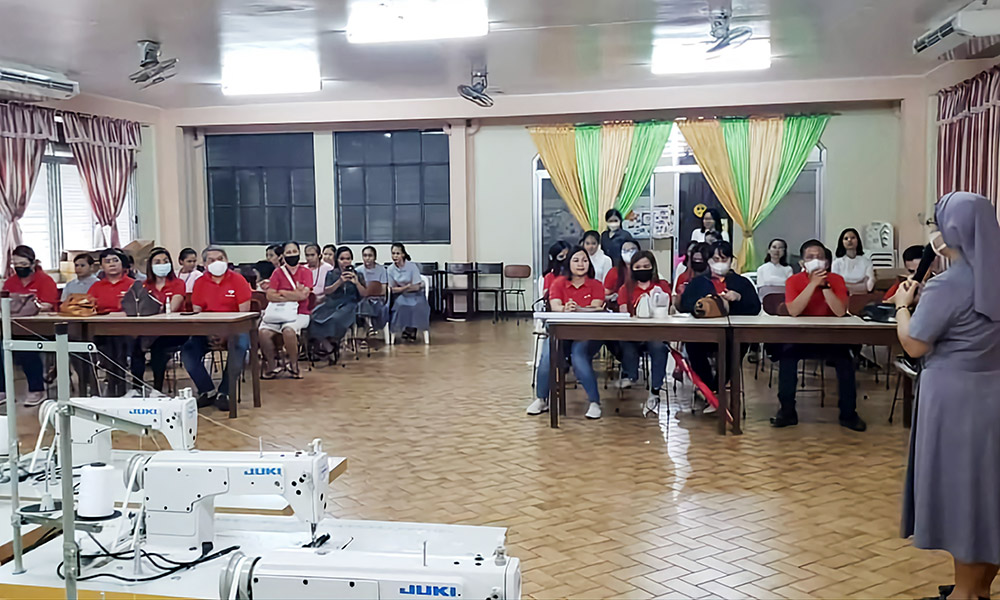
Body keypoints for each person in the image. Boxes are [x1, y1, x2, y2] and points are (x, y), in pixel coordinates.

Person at [895, 192, 1000, 600]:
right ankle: (977, 588)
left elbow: (915, 344)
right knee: (989, 493)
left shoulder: (949, 283)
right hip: (993, 389)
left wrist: (905, 307)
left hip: (955, 401)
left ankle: (965, 594)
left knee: (962, 494)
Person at [771, 239, 866, 431]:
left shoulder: (837, 280)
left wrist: (824, 286)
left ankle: (849, 414)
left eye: (820, 257)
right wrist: (812, 285)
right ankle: (787, 411)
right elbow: (794, 311)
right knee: (787, 358)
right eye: (810, 257)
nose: (816, 261)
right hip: (801, 336)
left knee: (846, 361)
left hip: (831, 337)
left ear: (827, 262)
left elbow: (840, 312)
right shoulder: (793, 281)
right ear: (802, 263)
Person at [526, 246, 606, 420]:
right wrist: (565, 309)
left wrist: (579, 309)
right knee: (547, 356)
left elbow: (597, 307)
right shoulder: (558, 283)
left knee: (579, 356)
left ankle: (594, 402)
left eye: (584, 260)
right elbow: (555, 307)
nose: (580, 264)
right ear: (568, 263)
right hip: (561, 331)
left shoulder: (596, 284)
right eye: (576, 260)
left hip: (587, 333)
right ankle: (542, 399)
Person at [680, 241, 761, 413]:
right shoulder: (698, 282)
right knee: (693, 345)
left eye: (723, 258)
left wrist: (738, 298)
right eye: (715, 258)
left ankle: (715, 390)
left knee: (734, 348)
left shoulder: (742, 283)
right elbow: (685, 304)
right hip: (704, 334)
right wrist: (704, 304)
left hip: (733, 334)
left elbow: (755, 308)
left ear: (731, 260)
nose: (719, 262)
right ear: (708, 261)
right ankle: (710, 390)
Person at [181, 246, 251, 411]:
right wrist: (208, 333)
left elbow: (244, 314)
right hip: (207, 331)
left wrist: (227, 333)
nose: (217, 262)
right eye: (211, 260)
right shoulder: (200, 283)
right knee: (188, 350)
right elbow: (197, 314)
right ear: (204, 264)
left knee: (240, 346)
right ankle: (207, 390)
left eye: (220, 258)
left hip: (234, 329)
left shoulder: (238, 280)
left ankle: (225, 392)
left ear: (227, 261)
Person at [0, 245, 59, 407]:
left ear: (32, 264)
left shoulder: (45, 280)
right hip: (13, 325)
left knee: (26, 347)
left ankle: (36, 389)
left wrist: (30, 305)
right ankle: (2, 390)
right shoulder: (11, 282)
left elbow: (48, 304)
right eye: (16, 264)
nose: (19, 268)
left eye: (23, 264)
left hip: (40, 328)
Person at [615, 250, 671, 416]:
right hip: (633, 333)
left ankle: (655, 390)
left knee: (659, 347)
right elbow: (623, 312)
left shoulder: (662, 286)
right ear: (632, 269)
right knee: (625, 342)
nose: (642, 269)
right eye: (638, 267)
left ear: (653, 267)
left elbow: (668, 310)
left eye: (646, 266)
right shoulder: (626, 289)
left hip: (656, 333)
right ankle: (631, 375)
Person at [129, 247, 186, 393]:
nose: (162, 264)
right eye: (158, 262)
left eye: (165, 261)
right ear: (150, 266)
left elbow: (172, 307)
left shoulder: (178, 283)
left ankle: (157, 390)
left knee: (158, 347)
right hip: (147, 329)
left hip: (175, 330)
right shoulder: (143, 285)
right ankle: (137, 388)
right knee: (135, 345)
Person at [259, 241, 312, 379]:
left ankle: (294, 366)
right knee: (262, 332)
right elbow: (270, 295)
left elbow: (303, 295)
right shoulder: (277, 272)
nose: (292, 255)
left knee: (288, 330)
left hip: (300, 313)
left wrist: (281, 293)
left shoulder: (306, 272)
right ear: (283, 255)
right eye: (288, 252)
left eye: (295, 252)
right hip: (277, 313)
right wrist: (292, 295)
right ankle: (272, 366)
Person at [88, 248, 136, 396]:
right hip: (101, 329)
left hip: (127, 329)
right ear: (102, 266)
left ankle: (119, 386)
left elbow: (139, 307)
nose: (112, 264)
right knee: (106, 343)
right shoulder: (96, 287)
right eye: (107, 262)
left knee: (118, 343)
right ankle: (108, 385)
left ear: (123, 264)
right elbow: (89, 307)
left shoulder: (133, 284)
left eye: (115, 260)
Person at [311, 246, 368, 360]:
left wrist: (356, 283)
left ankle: (333, 342)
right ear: (337, 260)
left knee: (336, 319)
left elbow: (364, 294)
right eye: (342, 259)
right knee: (313, 318)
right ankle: (329, 347)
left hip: (349, 305)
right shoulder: (331, 274)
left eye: (348, 258)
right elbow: (327, 291)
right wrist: (339, 282)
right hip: (332, 303)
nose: (345, 261)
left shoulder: (358, 274)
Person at [388, 243, 431, 342]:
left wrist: (401, 287)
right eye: (393, 253)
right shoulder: (390, 269)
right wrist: (406, 287)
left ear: (403, 254)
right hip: (400, 295)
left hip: (416, 294)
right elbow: (392, 289)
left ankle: (412, 329)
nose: (395, 256)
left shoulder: (412, 267)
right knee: (400, 305)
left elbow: (416, 286)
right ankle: (401, 330)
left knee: (418, 305)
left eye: (397, 253)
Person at [832, 227, 875, 294]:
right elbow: (836, 285)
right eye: (846, 238)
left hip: (862, 297)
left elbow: (869, 287)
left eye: (853, 238)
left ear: (858, 240)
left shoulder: (867, 262)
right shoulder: (836, 263)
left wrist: (846, 285)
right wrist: (860, 284)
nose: (849, 240)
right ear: (842, 242)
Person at [358, 246, 389, 332]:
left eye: (370, 256)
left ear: (375, 257)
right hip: (363, 298)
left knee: (376, 306)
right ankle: (370, 326)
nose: (367, 258)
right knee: (362, 303)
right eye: (365, 255)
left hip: (378, 298)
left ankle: (370, 325)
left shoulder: (382, 270)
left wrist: (372, 291)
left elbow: (383, 290)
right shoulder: (358, 270)